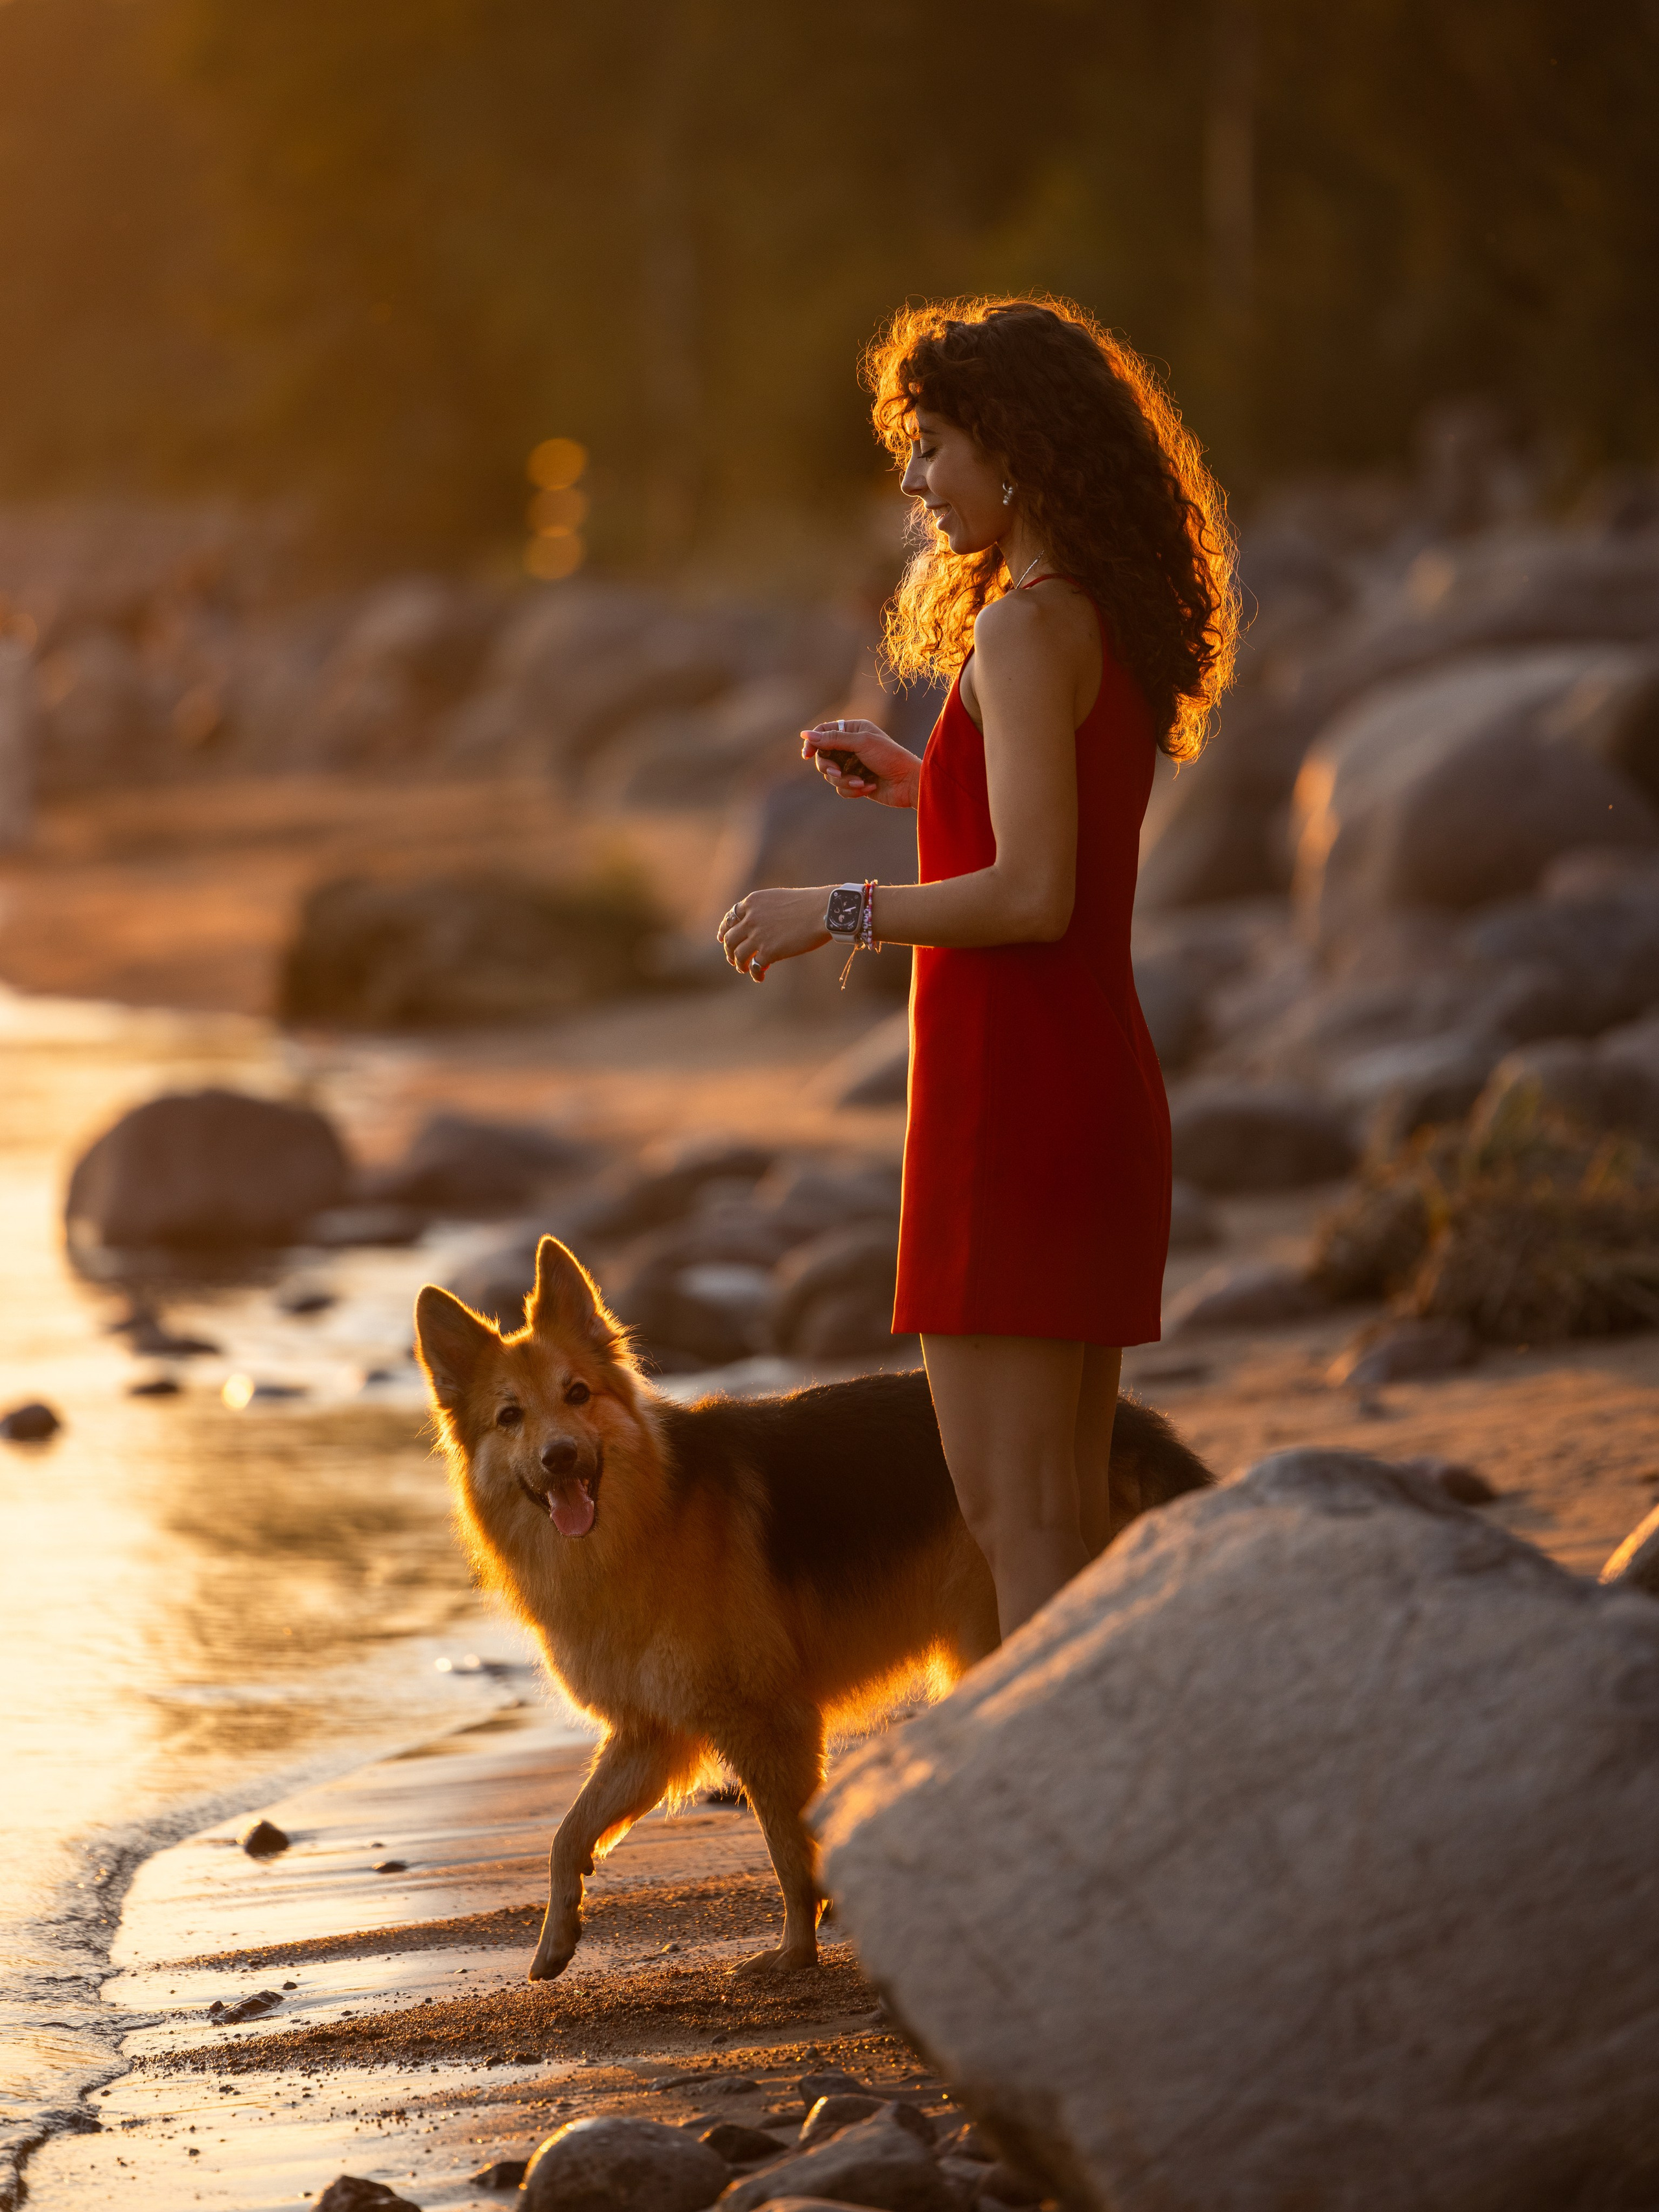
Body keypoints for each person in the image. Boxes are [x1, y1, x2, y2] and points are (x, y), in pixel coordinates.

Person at [717, 297, 1238, 1640]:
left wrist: (830, 908)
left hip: (1008, 1099)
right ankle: (1099, 1758)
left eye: (932, 445)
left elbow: (1030, 895)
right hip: (1090, 1084)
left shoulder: (1017, 633)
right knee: (1062, 1511)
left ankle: (1064, 1778)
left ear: (1012, 446)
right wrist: (926, 782)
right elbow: (1053, 833)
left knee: (1020, 1523)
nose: (913, 482)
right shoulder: (1092, 618)